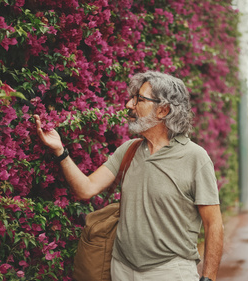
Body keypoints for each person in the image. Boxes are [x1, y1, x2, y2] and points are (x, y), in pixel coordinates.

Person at [34, 71, 223, 281]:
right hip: (121, 268)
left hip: (169, 271)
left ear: (163, 110)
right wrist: (60, 151)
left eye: (139, 99)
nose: (129, 105)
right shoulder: (129, 150)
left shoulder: (195, 158)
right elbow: (85, 188)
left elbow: (214, 224)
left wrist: (208, 278)